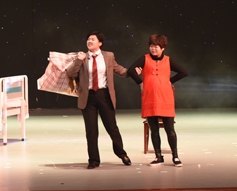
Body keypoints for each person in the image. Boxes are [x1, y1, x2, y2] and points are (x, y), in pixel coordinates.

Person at [66, 31, 132, 169]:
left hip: (104, 95)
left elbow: (118, 69)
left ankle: (122, 154)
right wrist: (79, 60)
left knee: (112, 128)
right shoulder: (82, 57)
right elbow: (71, 73)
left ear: (100, 43)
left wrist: (132, 73)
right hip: (88, 97)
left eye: (93, 39)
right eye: (88, 39)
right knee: (91, 130)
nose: (89, 41)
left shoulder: (108, 56)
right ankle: (93, 160)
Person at [127, 34, 188, 166]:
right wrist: (140, 82)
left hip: (165, 97)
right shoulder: (144, 58)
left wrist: (169, 81)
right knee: (154, 130)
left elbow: (184, 72)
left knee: (170, 129)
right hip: (149, 96)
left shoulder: (168, 60)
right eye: (151, 46)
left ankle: (175, 157)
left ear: (163, 48)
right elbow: (130, 70)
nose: (153, 49)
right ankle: (158, 156)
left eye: (156, 46)